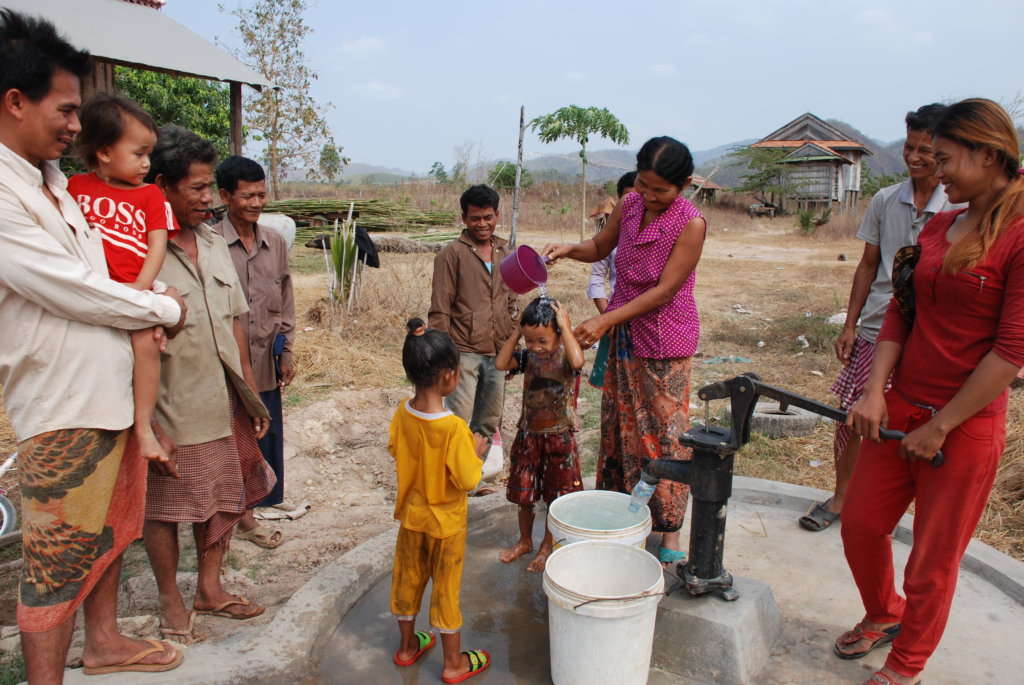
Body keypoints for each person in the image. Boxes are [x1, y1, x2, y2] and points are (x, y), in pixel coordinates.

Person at [0, 9, 186, 680]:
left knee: (111, 532)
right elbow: (72, 289)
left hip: (109, 397)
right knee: (54, 565)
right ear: (16, 102)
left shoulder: (57, 187)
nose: (78, 125)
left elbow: (101, 277)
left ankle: (103, 641)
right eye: (68, 109)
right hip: (64, 408)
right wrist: (162, 305)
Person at [838, 98, 1024, 685]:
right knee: (861, 525)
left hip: (962, 428)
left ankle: (905, 664)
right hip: (900, 408)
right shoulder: (943, 226)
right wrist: (875, 392)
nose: (936, 172)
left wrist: (941, 425)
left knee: (931, 562)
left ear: (988, 154)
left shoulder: (1018, 235)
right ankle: (883, 613)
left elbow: (1012, 351)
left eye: (945, 159)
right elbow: (900, 311)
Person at [543, 136, 706, 567]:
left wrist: (604, 319)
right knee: (621, 430)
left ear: (684, 185)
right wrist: (568, 249)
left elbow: (664, 291)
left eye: (660, 190)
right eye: (643, 185)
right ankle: (624, 519)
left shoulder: (690, 223)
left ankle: (669, 532)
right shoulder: (630, 204)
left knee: (663, 435)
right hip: (624, 336)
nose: (649, 197)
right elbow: (599, 248)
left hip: (663, 342)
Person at [143, 125, 275, 644]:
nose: (207, 199)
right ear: (162, 186)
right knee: (166, 507)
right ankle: (170, 597)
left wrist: (250, 392)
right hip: (172, 402)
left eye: (207, 188)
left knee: (224, 497)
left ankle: (209, 588)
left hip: (225, 399)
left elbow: (236, 323)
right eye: (196, 188)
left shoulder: (211, 243)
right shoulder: (139, 250)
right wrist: (145, 419)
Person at [800, 104, 958, 532]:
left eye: (927, 150)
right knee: (853, 418)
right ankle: (842, 497)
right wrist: (850, 325)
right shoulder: (887, 200)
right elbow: (869, 266)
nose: (916, 157)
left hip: (929, 337)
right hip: (876, 329)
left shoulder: (958, 207)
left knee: (913, 425)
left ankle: (893, 509)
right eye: (910, 147)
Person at [68, 93, 176, 470]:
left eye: (149, 153)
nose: (147, 163)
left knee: (146, 343)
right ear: (103, 152)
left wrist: (140, 290)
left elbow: (157, 246)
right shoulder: (74, 189)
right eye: (139, 153)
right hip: (91, 293)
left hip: (133, 290)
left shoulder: (150, 195)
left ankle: (143, 425)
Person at [389, 318, 491, 684]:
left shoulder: (402, 413)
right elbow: (467, 480)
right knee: (445, 592)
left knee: (407, 582)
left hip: (412, 518)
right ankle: (453, 664)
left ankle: (406, 648)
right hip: (446, 526)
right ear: (449, 376)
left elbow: (395, 448)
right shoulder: (454, 429)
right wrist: (477, 453)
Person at [213, 155, 295, 550]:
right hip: (222, 366)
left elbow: (285, 299)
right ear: (226, 196)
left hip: (264, 361)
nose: (257, 202)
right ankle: (237, 515)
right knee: (230, 437)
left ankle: (251, 507)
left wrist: (288, 351)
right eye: (248, 196)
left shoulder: (274, 242)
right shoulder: (209, 242)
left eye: (262, 194)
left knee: (263, 434)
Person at [494, 297, 585, 572]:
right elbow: (501, 363)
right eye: (530, 340)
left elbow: (578, 360)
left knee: (555, 496)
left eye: (542, 341)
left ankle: (547, 546)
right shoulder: (527, 356)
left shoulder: (567, 357)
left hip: (559, 437)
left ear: (558, 335)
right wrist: (518, 332)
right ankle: (525, 541)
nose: (536, 347)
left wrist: (566, 327)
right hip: (528, 435)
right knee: (524, 494)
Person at [428, 184, 517, 456]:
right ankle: (452, 481)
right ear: (464, 218)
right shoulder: (451, 255)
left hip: (499, 352)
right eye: (475, 218)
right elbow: (440, 309)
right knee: (458, 419)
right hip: (463, 352)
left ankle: (474, 477)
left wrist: (514, 350)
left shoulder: (507, 253)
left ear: (497, 216)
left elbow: (512, 302)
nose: (482, 224)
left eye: (488, 217)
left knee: (488, 422)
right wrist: (445, 357)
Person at [588, 171, 636, 314]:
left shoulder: (661, 234)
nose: (635, 205)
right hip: (614, 315)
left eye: (640, 199)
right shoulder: (611, 234)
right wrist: (606, 316)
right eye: (629, 199)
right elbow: (597, 276)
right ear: (619, 198)